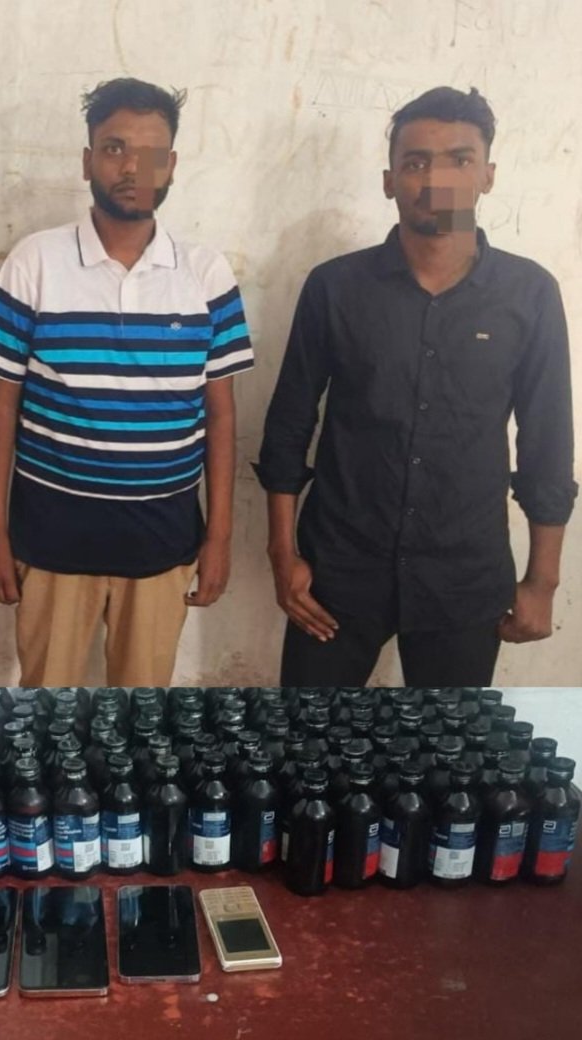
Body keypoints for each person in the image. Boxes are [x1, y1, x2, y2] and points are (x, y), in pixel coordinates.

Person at [256, 86, 576, 686]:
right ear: (389, 181)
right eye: (416, 162)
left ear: (488, 175)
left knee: (447, 744)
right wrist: (282, 554)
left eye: (460, 159)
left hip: (464, 578)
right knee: (307, 739)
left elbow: (547, 445)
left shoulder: (529, 294)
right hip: (337, 574)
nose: (437, 179)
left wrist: (542, 581)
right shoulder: (335, 288)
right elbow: (288, 426)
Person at [0, 77, 253, 686]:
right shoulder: (35, 261)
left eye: (150, 152)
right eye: (114, 148)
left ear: (171, 164)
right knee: (47, 716)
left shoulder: (205, 273)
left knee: (141, 720)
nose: (131, 167)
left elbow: (221, 415)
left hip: (162, 545)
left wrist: (220, 537)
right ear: (87, 160)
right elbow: (1, 408)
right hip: (50, 543)